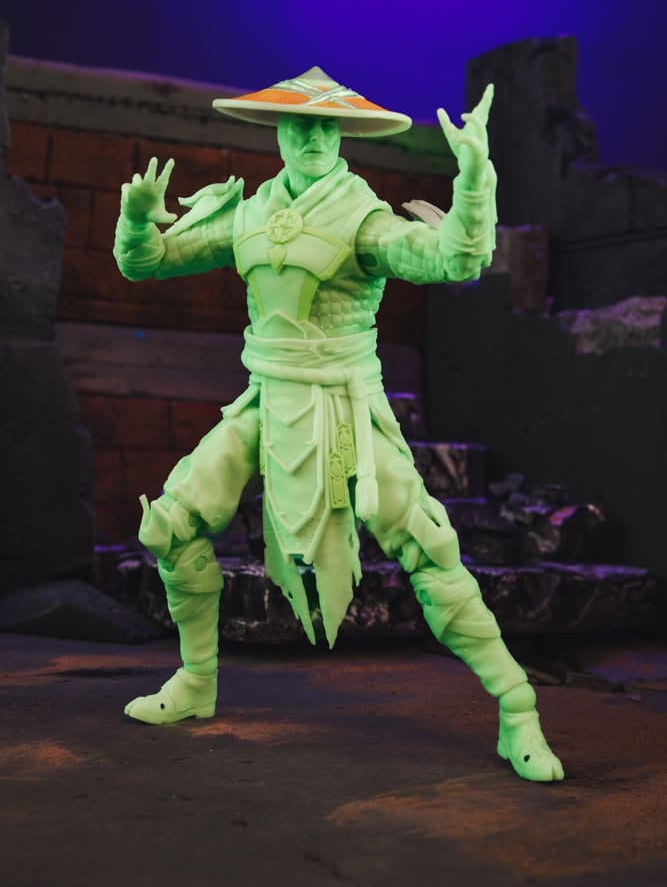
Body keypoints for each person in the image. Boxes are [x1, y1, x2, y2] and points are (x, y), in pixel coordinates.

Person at [114, 66, 563, 782]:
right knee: (170, 524)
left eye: (327, 125)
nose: (314, 137)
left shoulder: (364, 220)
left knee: (427, 547)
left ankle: (517, 709)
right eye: (300, 124)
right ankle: (196, 681)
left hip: (343, 405)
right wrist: (138, 217)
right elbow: (147, 263)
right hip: (265, 399)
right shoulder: (249, 214)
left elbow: (453, 258)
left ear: (344, 135)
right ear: (279, 132)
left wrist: (475, 179)